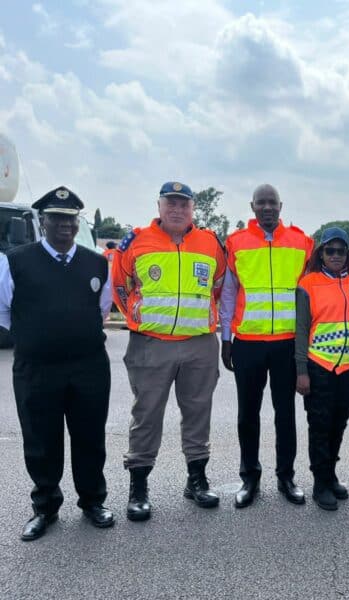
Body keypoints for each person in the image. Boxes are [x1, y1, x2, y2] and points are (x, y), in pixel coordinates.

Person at [0, 186, 114, 541]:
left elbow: (102, 310)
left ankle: (93, 501)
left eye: (70, 219)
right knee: (40, 440)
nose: (64, 226)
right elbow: (4, 312)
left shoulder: (96, 262)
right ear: (42, 221)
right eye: (56, 219)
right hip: (37, 369)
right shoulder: (16, 261)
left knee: (90, 438)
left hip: (89, 367)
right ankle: (45, 507)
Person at [112, 181, 226, 521]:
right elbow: (120, 285)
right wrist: (142, 318)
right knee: (146, 415)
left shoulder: (210, 243)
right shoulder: (136, 241)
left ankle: (196, 480)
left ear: (193, 209)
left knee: (198, 413)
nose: (177, 210)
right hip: (151, 344)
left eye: (184, 204)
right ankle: (139, 488)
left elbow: (217, 286)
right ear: (159, 206)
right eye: (170, 203)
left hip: (199, 344)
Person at [220, 184, 314, 508]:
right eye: (261, 203)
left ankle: (286, 476)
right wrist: (226, 338)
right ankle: (250, 477)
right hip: (247, 342)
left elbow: (310, 293)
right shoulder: (236, 243)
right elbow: (229, 293)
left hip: (287, 342)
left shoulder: (302, 242)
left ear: (281, 205)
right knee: (248, 414)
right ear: (252, 206)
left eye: (272, 202)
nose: (267, 208)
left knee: (285, 413)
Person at [294, 227, 349, 510]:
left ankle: (331, 474)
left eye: (341, 251)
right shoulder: (308, 283)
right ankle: (320, 483)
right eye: (330, 250)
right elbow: (301, 330)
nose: (336, 256)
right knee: (320, 427)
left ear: (347, 253)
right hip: (319, 367)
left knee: (338, 425)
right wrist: (301, 370)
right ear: (321, 253)